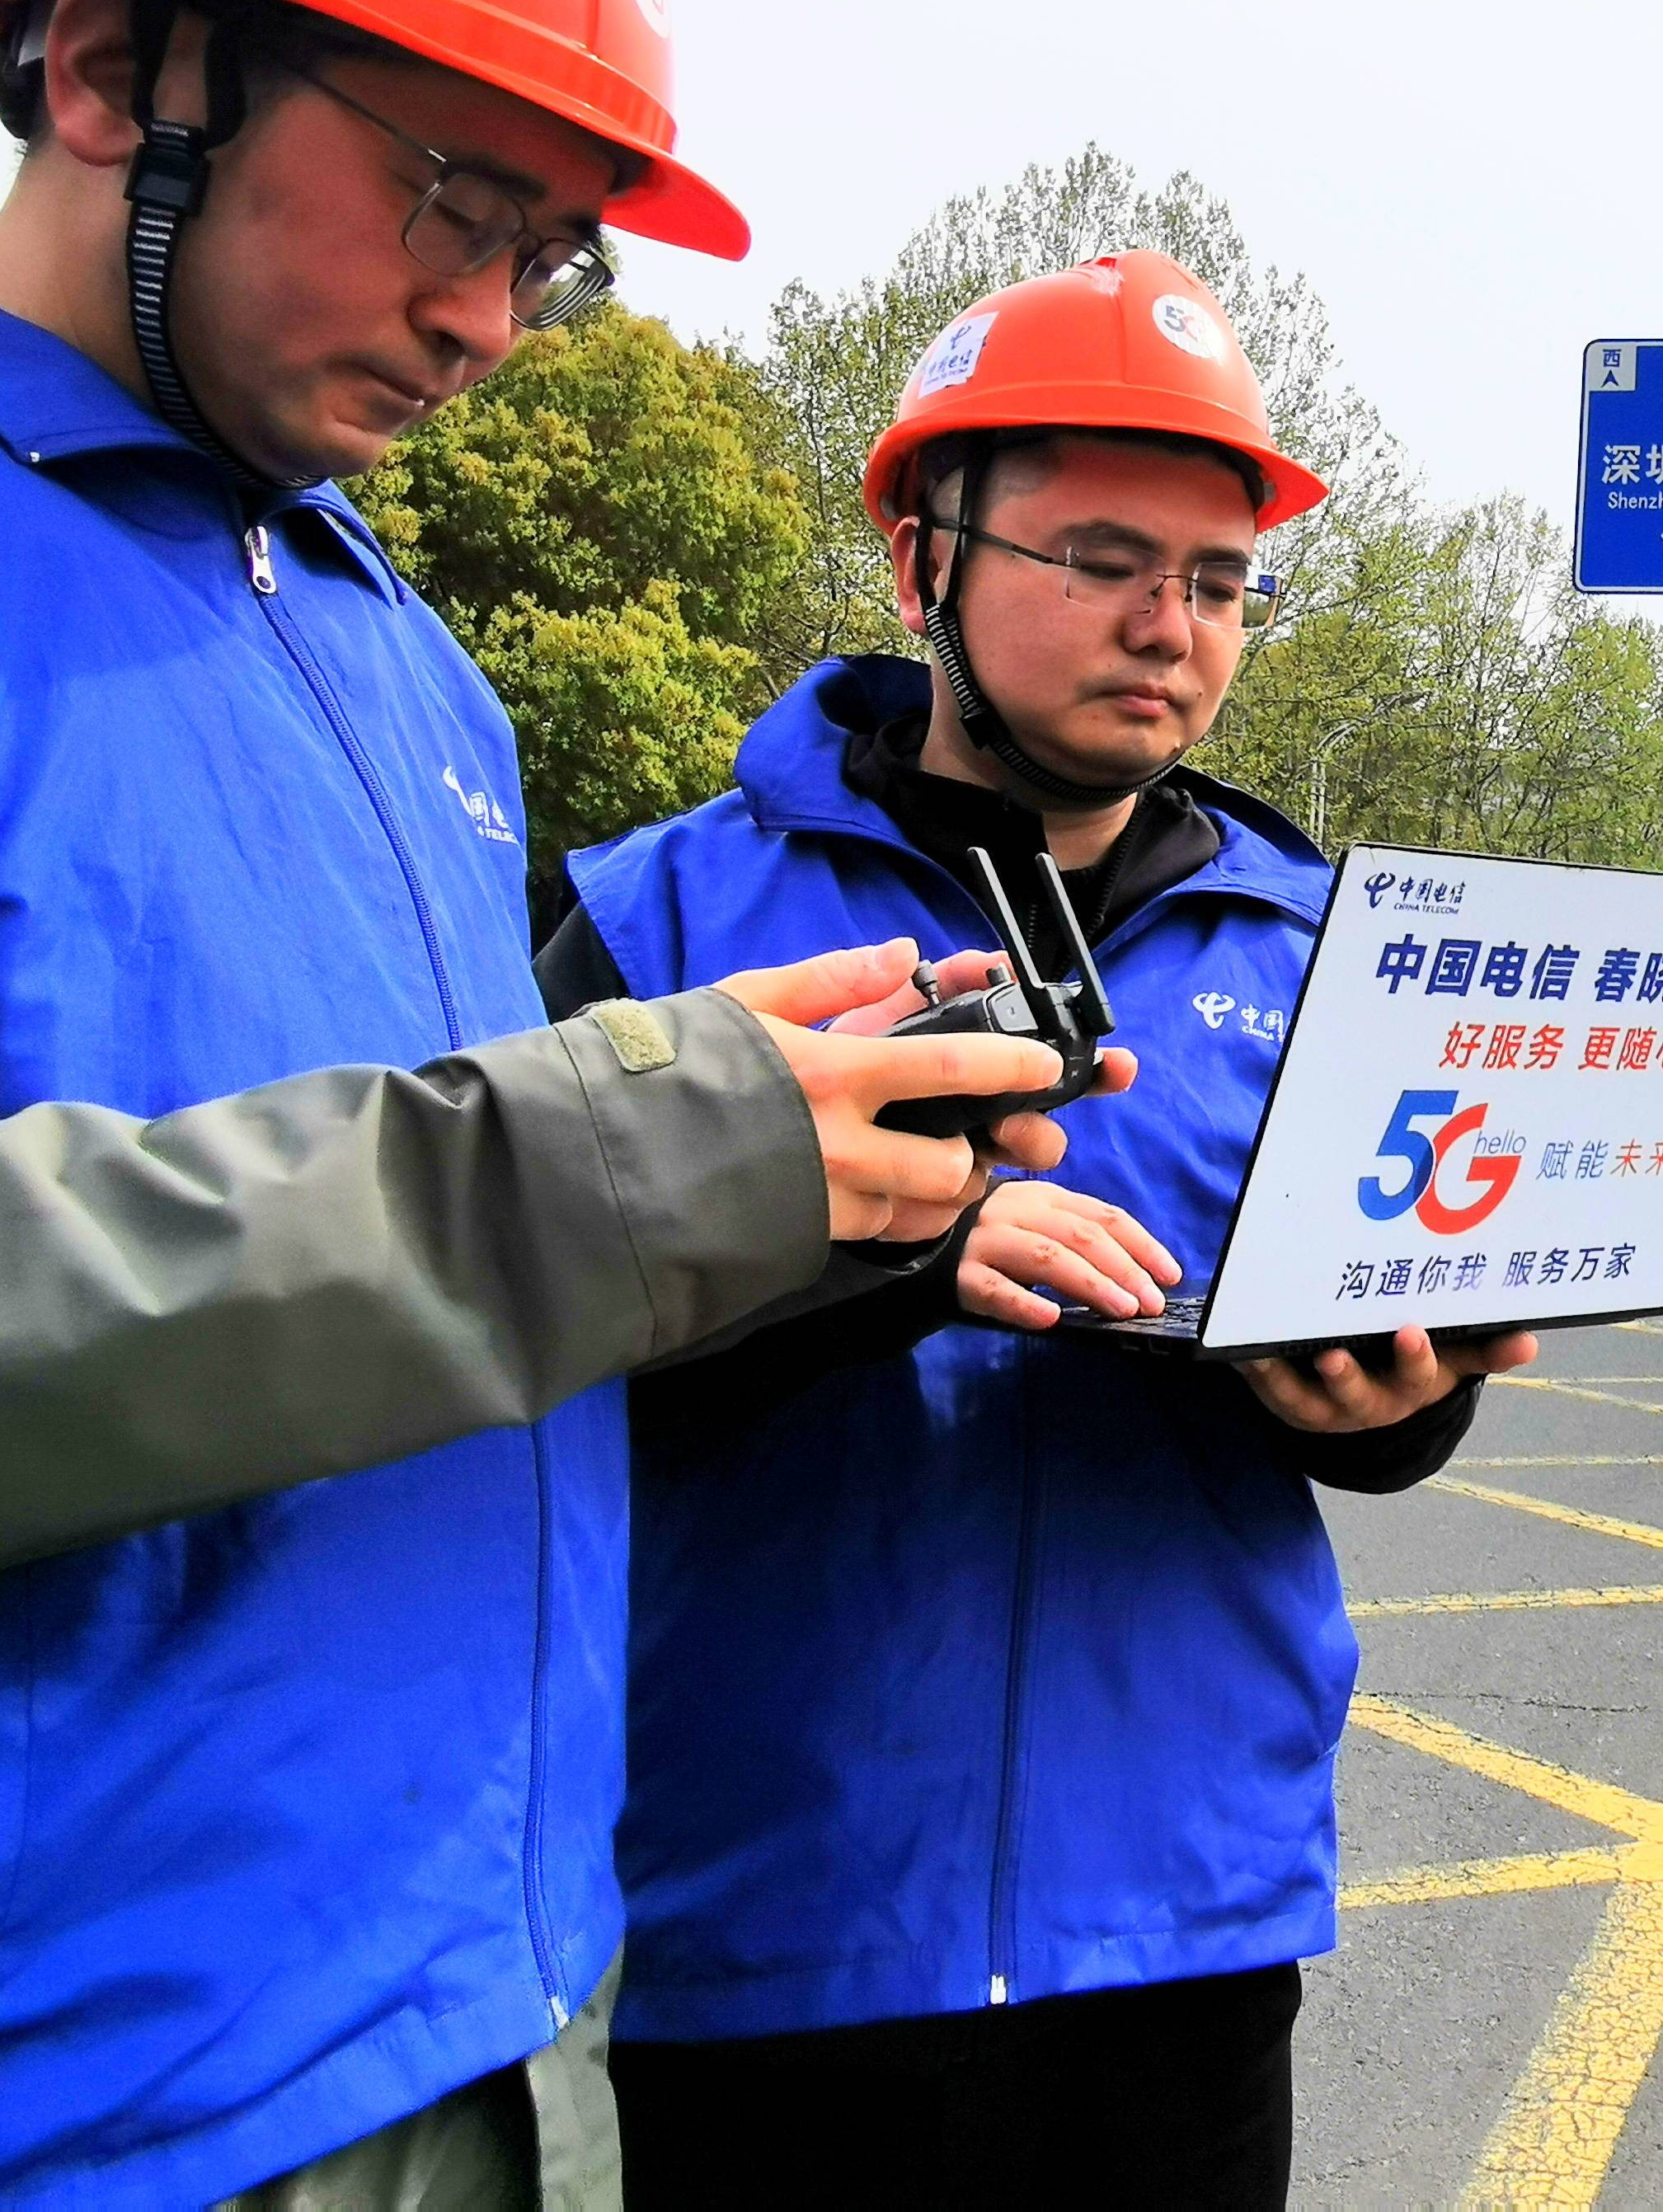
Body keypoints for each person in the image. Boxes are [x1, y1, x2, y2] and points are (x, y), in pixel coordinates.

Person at [0, 0, 1102, 2209]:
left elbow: (417, 1274)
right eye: (451, 201)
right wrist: (633, 1160)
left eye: (557, 254)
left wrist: (818, 1199)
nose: (491, 321)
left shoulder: (402, 663)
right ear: (116, 72)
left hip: (484, 2035)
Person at [539, 253, 1529, 2210]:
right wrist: (873, 1272)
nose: (1171, 627)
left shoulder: (1331, 960)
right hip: (748, 1921)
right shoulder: (658, 920)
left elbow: (1386, 1387)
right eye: (1101, 560)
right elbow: (517, 1351)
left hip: (1175, 1929)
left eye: (1221, 582)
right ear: (925, 556)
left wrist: (1392, 1409)